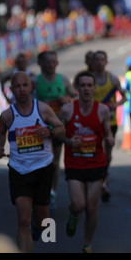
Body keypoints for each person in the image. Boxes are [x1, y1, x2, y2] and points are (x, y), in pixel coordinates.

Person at [0, 72, 65, 253]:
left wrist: (49, 131)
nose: (22, 89)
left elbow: (60, 128)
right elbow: (1, 132)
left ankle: (38, 227)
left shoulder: (42, 109)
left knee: (43, 223)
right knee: (23, 219)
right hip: (18, 170)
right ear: (11, 90)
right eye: (17, 86)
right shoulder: (7, 115)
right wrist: (0, 148)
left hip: (43, 169)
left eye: (25, 85)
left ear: (31, 87)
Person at [58, 71, 115, 253]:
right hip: (74, 164)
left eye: (90, 85)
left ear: (94, 88)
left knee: (91, 206)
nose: (86, 89)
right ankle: (73, 215)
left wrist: (110, 139)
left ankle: (87, 244)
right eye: (82, 85)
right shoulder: (67, 110)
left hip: (96, 163)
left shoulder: (102, 110)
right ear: (77, 88)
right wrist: (68, 141)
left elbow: (107, 132)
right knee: (78, 205)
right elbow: (57, 132)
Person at [34, 51, 78, 213]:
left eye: (53, 61)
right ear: (41, 63)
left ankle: (52, 193)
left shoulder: (64, 80)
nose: (50, 64)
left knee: (54, 161)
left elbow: (77, 100)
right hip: (38, 129)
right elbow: (23, 102)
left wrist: (66, 100)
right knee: (42, 161)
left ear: (57, 63)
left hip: (58, 127)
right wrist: (39, 103)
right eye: (47, 62)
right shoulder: (35, 81)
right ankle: (40, 192)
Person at [92, 50, 127, 202]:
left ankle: (104, 176)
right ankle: (100, 178)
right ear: (93, 63)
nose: (100, 62)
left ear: (106, 62)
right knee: (96, 151)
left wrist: (116, 104)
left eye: (102, 59)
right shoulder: (89, 80)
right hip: (93, 122)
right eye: (97, 60)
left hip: (110, 122)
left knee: (107, 153)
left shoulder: (112, 79)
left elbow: (125, 97)